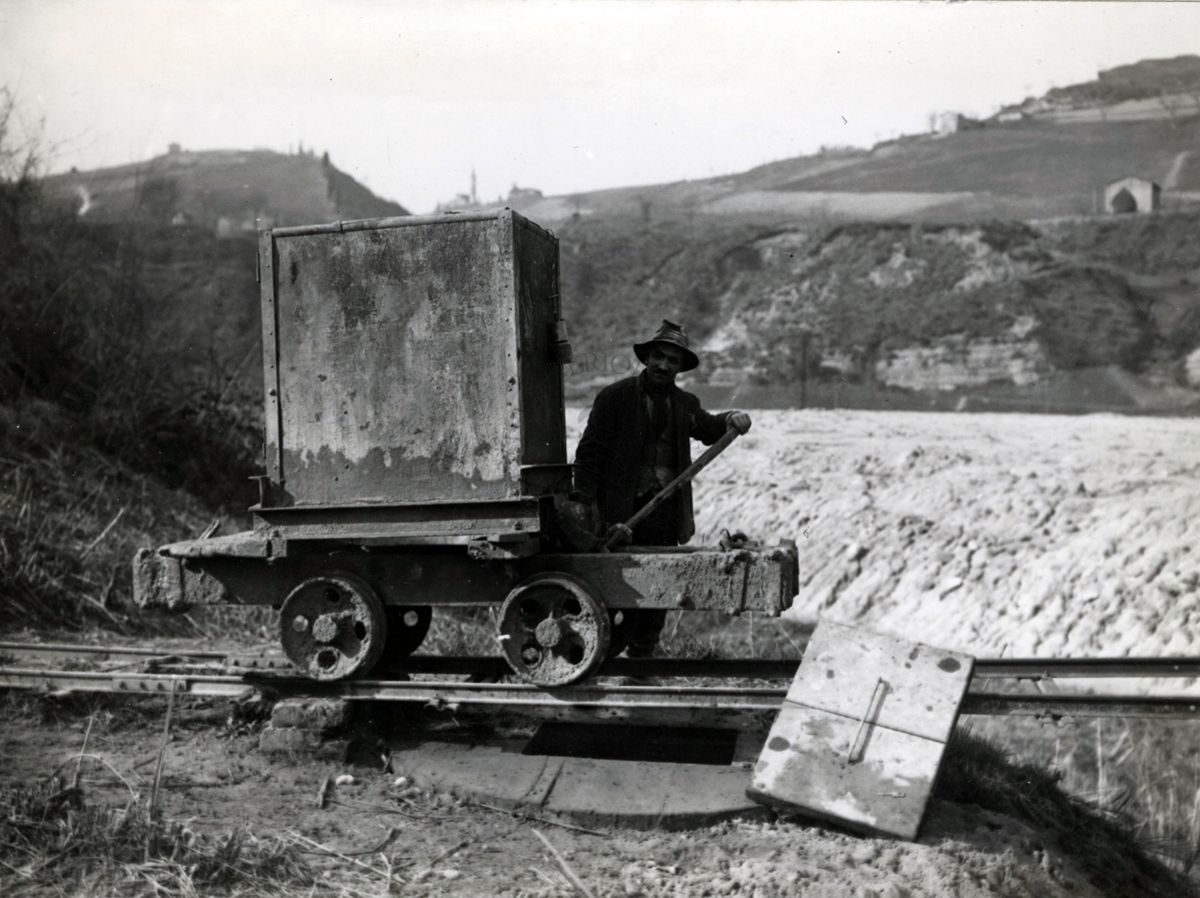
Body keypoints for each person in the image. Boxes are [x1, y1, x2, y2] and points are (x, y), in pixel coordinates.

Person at [573, 319, 751, 657]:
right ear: (646, 358)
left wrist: (733, 417)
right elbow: (588, 456)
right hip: (619, 516)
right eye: (658, 357)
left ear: (680, 368)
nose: (663, 365)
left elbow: (710, 428)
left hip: (664, 515)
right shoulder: (615, 397)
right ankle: (596, 657)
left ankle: (640, 664)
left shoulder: (684, 404)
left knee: (658, 590)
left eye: (672, 361)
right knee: (611, 588)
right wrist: (587, 508)